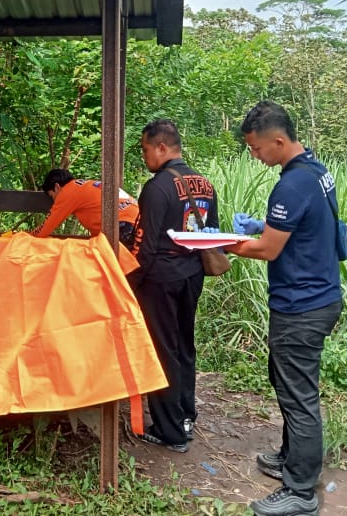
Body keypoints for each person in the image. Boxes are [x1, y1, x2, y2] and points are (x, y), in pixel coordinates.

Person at [222, 101, 342, 516]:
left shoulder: (290, 185)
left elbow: (269, 249)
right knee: (286, 381)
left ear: (278, 140)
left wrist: (219, 243)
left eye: (256, 149)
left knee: (298, 395)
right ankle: (293, 458)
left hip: (301, 304)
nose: (254, 156)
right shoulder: (317, 171)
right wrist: (261, 224)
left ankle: (301, 490)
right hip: (320, 294)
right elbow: (304, 226)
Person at [131, 118, 219, 453]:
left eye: (145, 149)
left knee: (162, 350)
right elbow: (212, 234)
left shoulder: (157, 187)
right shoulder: (204, 184)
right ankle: (186, 415)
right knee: (184, 345)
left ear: (162, 147)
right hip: (192, 274)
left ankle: (170, 432)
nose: (144, 156)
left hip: (162, 279)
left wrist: (130, 282)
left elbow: (145, 245)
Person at [31, 168, 141, 250]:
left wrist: (28, 235)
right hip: (136, 218)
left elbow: (45, 229)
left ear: (57, 187)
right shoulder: (83, 185)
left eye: (52, 196)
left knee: (126, 274)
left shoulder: (67, 192)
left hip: (124, 225)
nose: (54, 201)